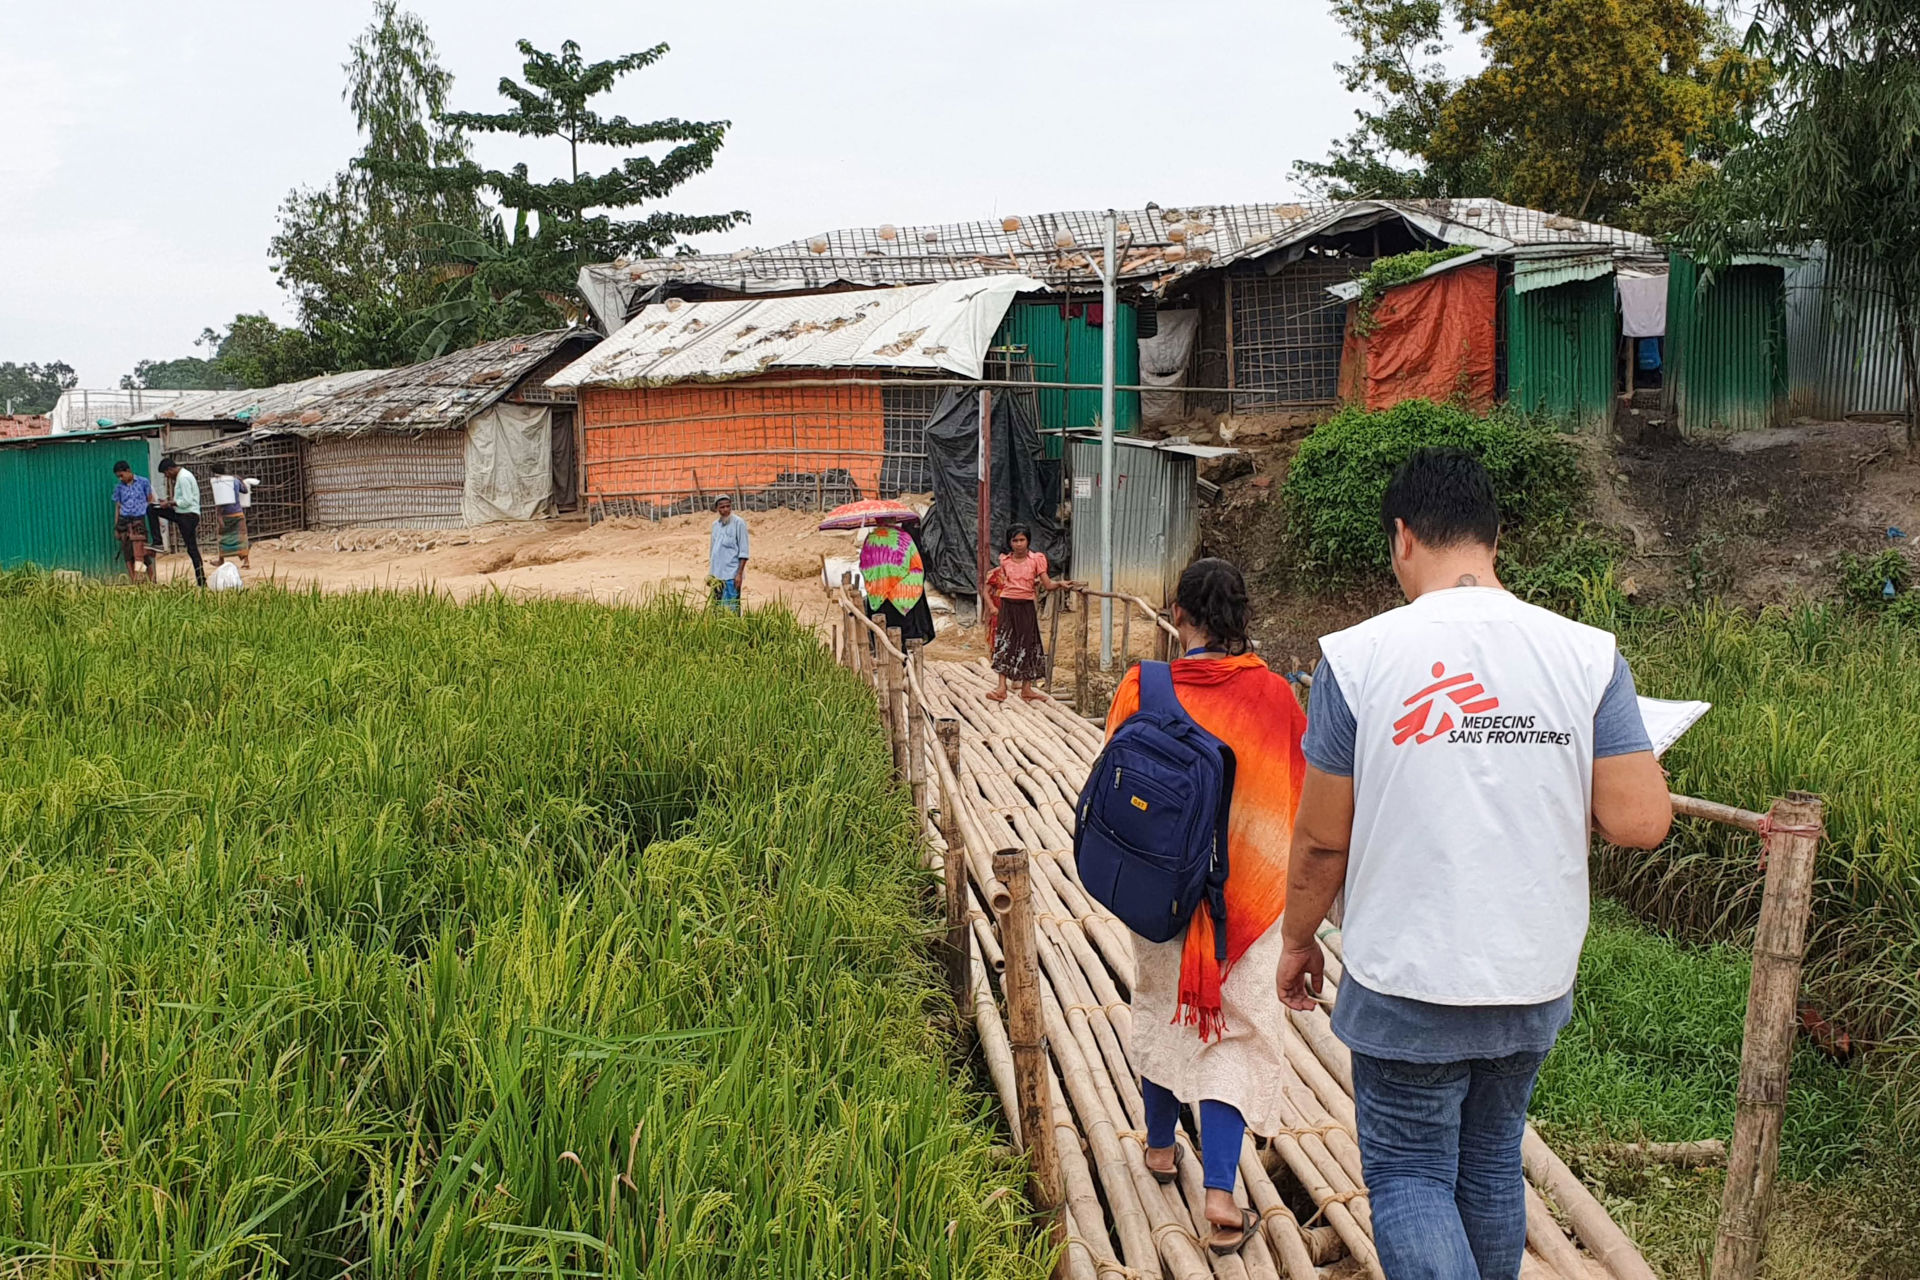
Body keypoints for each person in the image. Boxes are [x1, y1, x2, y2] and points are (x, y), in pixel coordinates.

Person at [1276, 448, 1673, 1280]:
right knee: (1490, 1160)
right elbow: (1639, 822)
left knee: (1412, 1170)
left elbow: (1320, 839)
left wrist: (1297, 941)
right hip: (1529, 973)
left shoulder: (1357, 659)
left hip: (1406, 972)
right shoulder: (1588, 655)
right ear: (1498, 540)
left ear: (1403, 538)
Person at [1104, 557, 1308, 1255]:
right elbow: (1296, 798)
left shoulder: (1142, 684)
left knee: (1161, 1006)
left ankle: (1160, 1148)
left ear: (1179, 615)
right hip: (1242, 907)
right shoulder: (1277, 698)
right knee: (1233, 1033)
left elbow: (1112, 778)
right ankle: (1220, 1193)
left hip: (1159, 892)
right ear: (1243, 615)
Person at [987, 525, 1061, 702]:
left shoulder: (1036, 560)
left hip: (1026, 605)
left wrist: (1062, 584)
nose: (1019, 544)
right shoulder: (1005, 561)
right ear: (1010, 542)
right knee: (1005, 643)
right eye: (1015, 540)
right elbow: (995, 585)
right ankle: (1001, 687)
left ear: (1028, 541)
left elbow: (1048, 584)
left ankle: (1027, 688)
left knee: (1029, 644)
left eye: (1022, 540)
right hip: (1007, 605)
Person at [859, 519, 935, 643]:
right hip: (902, 598)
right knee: (905, 641)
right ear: (895, 520)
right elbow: (917, 567)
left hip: (879, 597)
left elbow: (864, 566)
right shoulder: (905, 539)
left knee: (881, 638)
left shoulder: (871, 540)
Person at [152, 457, 206, 587]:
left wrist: (169, 503)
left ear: (170, 469)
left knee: (192, 549)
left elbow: (186, 501)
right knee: (152, 509)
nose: (167, 476)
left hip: (187, 516)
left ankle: (201, 581)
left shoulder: (183, 478)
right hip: (182, 514)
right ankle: (157, 541)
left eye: (166, 473)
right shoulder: (182, 476)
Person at [110, 460, 157, 584]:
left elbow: (149, 500)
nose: (120, 478)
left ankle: (152, 580)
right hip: (124, 520)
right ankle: (134, 582)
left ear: (128, 471)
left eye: (121, 475)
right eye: (118, 476)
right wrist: (116, 527)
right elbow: (118, 506)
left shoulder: (143, 482)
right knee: (127, 552)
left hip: (139, 520)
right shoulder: (119, 487)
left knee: (142, 551)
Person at [707, 495, 749, 612]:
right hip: (717, 576)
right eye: (722, 507)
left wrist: (739, 574)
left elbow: (744, 552)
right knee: (716, 609)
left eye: (728, 506)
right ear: (717, 509)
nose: (725, 509)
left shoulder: (739, 523)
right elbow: (713, 552)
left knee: (732, 609)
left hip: (731, 576)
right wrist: (711, 575)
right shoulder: (715, 525)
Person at [211, 467, 250, 569]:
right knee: (241, 537)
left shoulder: (218, 483)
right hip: (237, 513)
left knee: (223, 538)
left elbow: (218, 502)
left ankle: (221, 560)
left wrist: (219, 516)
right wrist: (241, 480)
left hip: (225, 515)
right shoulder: (235, 481)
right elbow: (245, 490)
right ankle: (246, 561)